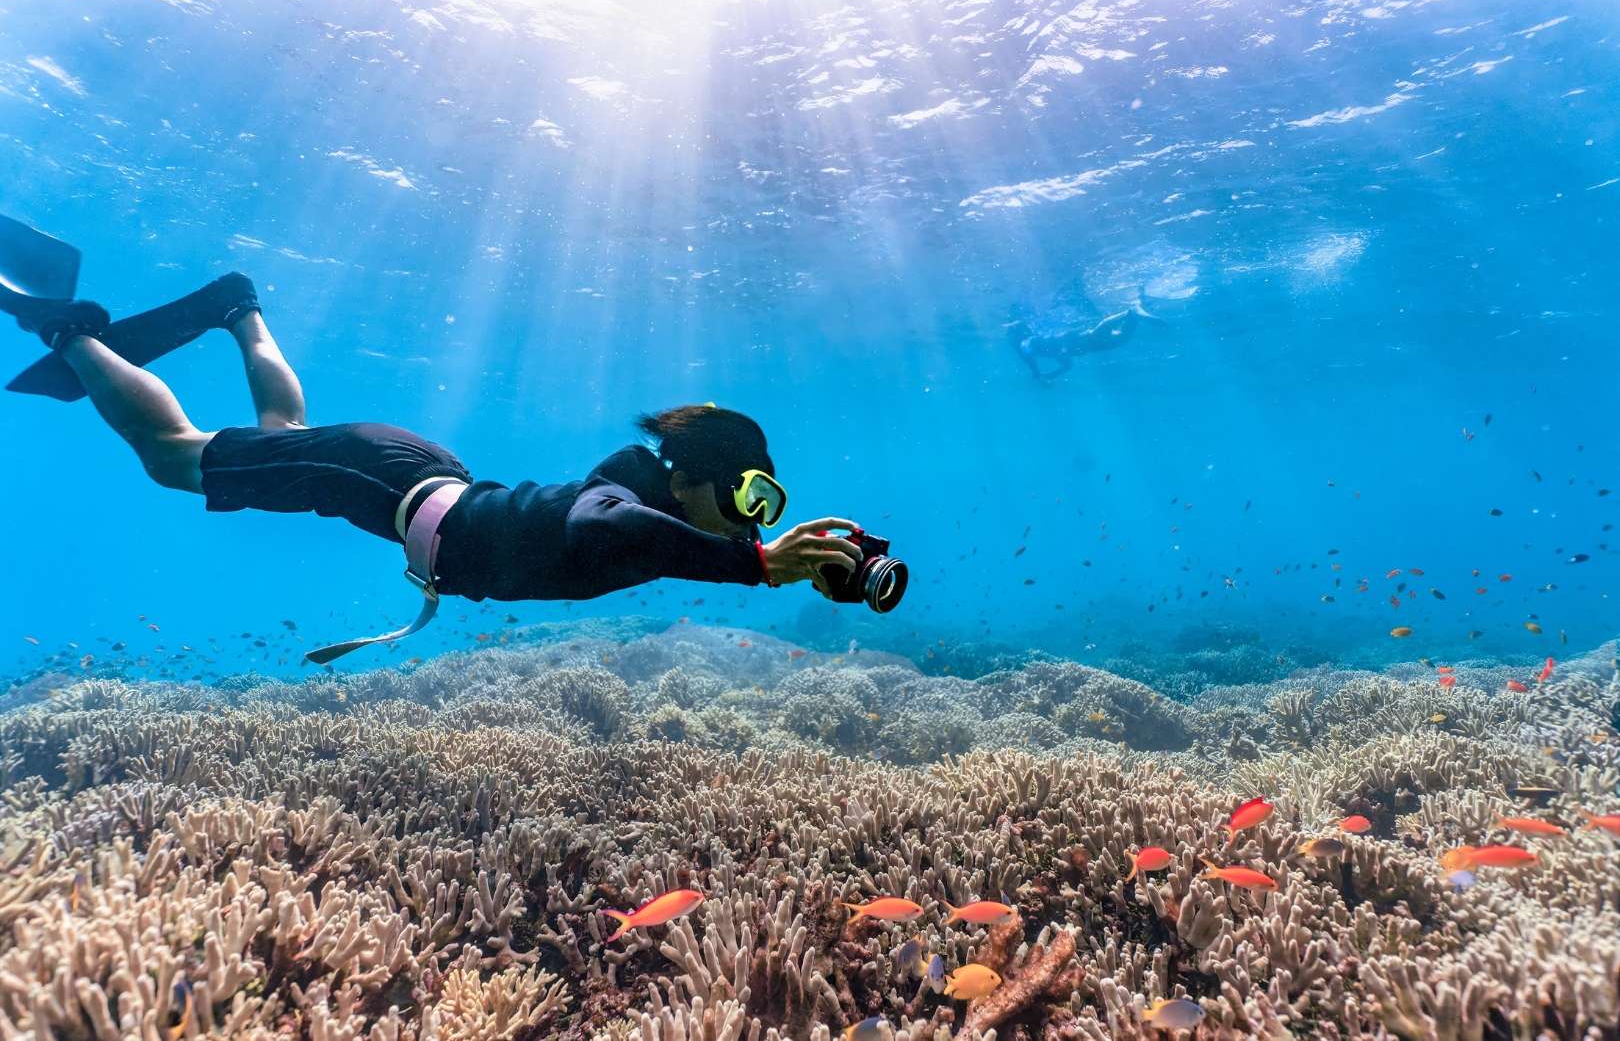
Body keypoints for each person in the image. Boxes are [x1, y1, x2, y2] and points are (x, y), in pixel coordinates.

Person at [2, 270, 865, 661]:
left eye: (769, 502)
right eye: (751, 494)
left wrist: (787, 560)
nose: (758, 515)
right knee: (172, 459)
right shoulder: (624, 499)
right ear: (687, 478)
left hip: (405, 476)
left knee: (286, 432)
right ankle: (69, 331)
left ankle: (239, 309)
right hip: (384, 478)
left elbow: (640, 539)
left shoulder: (659, 508)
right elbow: (595, 524)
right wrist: (754, 564)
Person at [1008, 302, 1163, 381]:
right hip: (1094, 345)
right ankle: (1134, 313)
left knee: (1107, 331)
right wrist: (1048, 375)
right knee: (1121, 337)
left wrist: (1049, 372)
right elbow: (1068, 365)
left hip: (1089, 341)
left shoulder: (1049, 343)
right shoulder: (1055, 352)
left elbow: (1067, 337)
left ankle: (1131, 312)